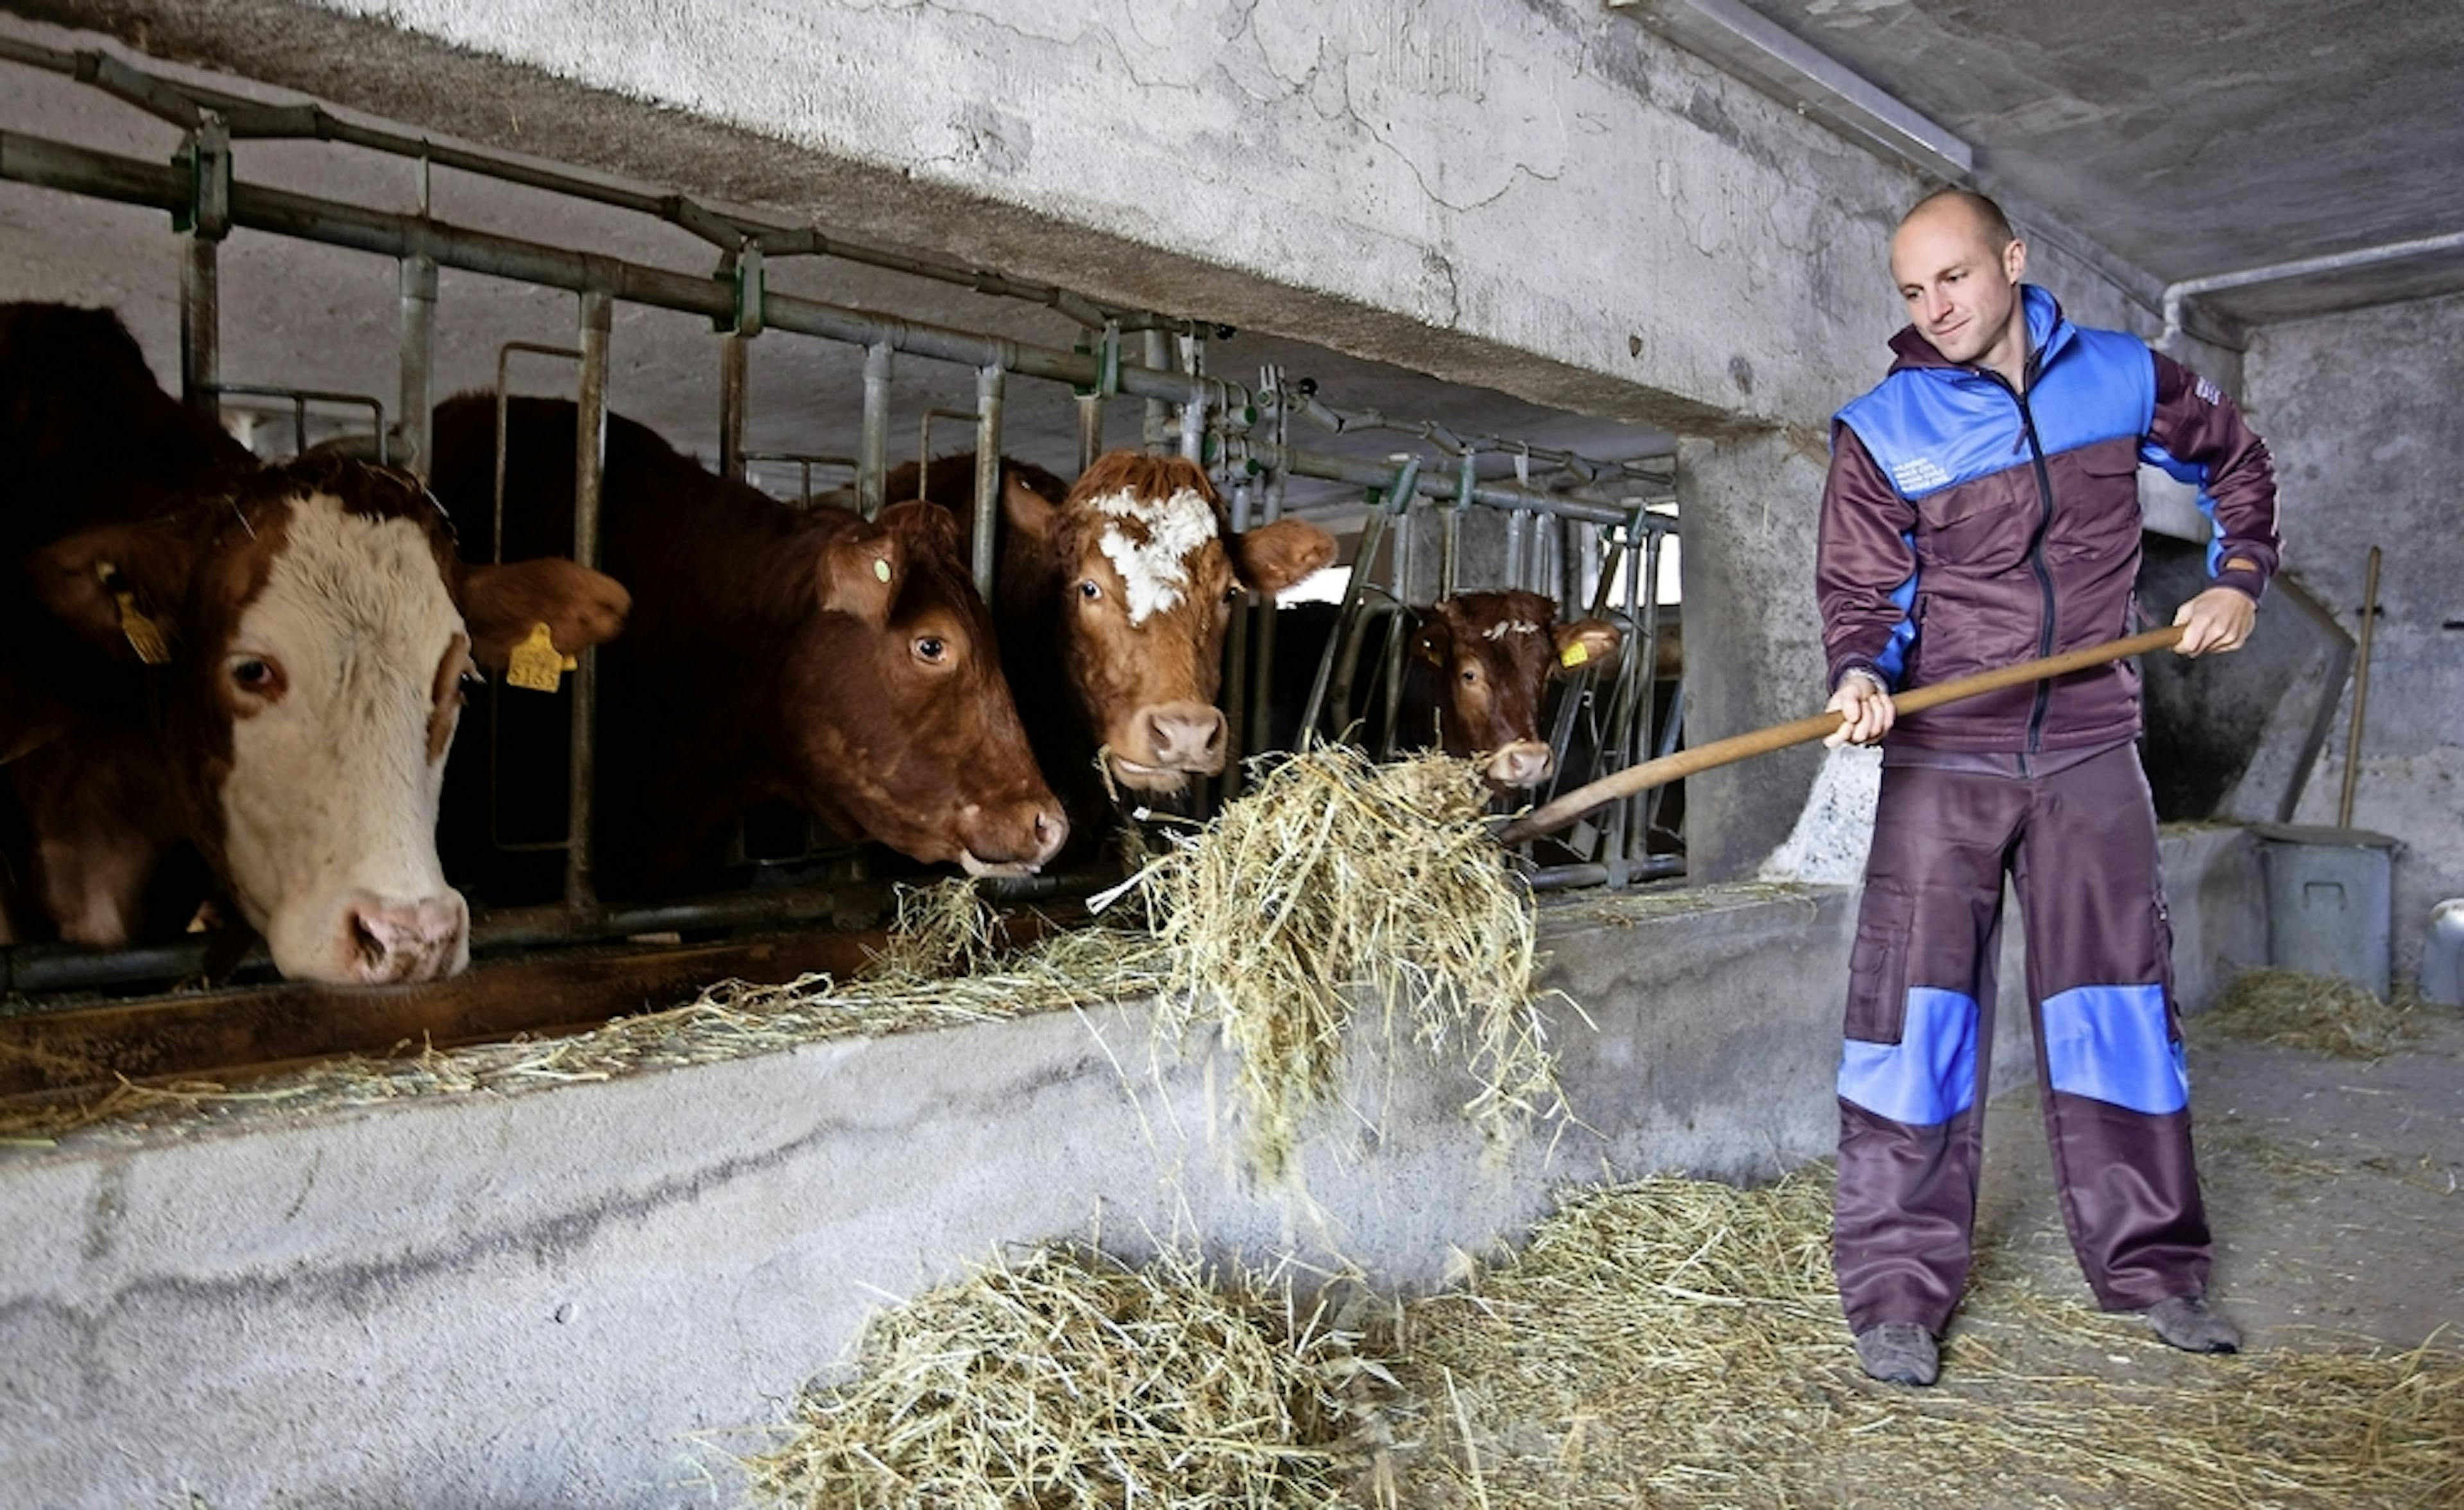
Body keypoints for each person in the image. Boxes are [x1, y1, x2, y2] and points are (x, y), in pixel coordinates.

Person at [1814, 187, 2280, 1386]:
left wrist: (2240, 576)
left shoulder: (2123, 375)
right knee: (1910, 1028)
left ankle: (2155, 1269)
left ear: (2013, 260)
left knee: (2116, 1013)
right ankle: (1897, 1293)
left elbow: (2236, 460)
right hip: (1945, 754)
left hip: (2089, 744)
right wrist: (1862, 670)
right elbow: (1863, 593)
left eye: (1955, 279)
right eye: (1913, 292)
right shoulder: (1882, 426)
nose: (1937, 309)